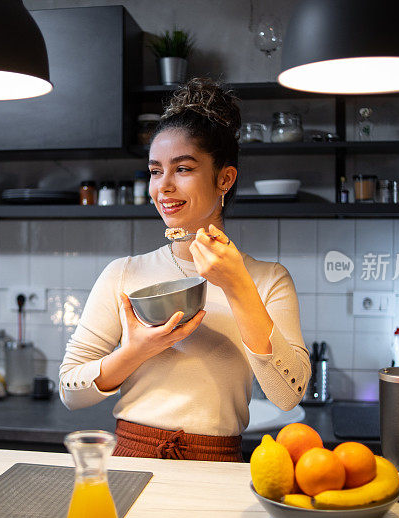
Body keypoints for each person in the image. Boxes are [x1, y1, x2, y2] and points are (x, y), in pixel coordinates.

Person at [59, 78, 310, 462]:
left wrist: (238, 285)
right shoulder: (123, 273)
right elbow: (69, 391)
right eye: (156, 171)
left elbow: (288, 394)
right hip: (131, 460)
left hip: (219, 465)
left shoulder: (268, 279)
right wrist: (135, 352)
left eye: (184, 169)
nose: (164, 188)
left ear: (224, 178)